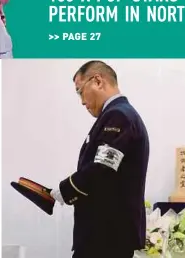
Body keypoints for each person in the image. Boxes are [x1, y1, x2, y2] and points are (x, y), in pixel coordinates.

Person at [50, 60, 150, 258]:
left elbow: (102, 167)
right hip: (106, 235)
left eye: (80, 91)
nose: (82, 101)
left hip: (106, 237)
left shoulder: (119, 116)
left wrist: (65, 189)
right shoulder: (119, 115)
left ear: (97, 81)